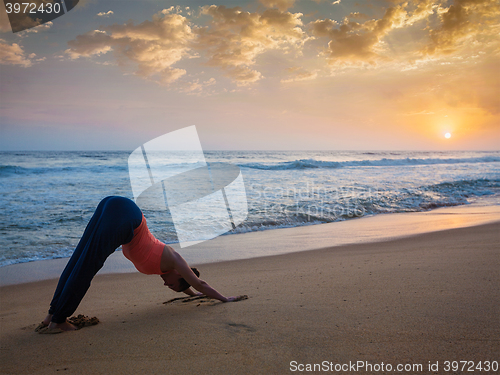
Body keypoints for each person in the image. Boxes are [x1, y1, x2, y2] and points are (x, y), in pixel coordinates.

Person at [40, 196, 242, 332]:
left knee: (79, 258)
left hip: (112, 206)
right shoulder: (175, 260)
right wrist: (225, 299)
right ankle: (59, 320)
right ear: (180, 274)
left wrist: (193, 294)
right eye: (171, 285)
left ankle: (52, 314)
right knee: (87, 266)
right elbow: (199, 284)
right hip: (126, 216)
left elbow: (191, 288)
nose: (166, 285)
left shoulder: (170, 271)